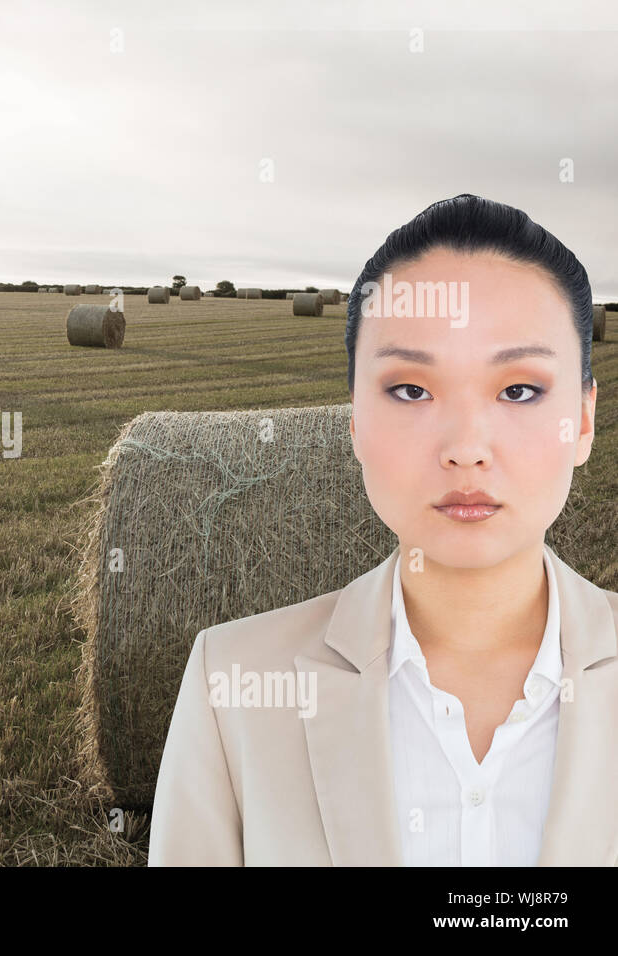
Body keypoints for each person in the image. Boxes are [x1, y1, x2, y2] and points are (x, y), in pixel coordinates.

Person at [147, 194, 615, 866]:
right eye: (411, 391)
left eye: (518, 391)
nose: (465, 448)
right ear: (355, 423)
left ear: (586, 421)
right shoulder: (233, 684)